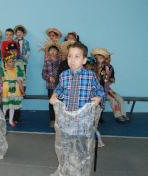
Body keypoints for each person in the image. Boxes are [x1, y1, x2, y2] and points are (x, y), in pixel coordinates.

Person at [50, 42, 105, 176]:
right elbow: (59, 89)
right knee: (66, 148)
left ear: (84, 60)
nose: (72, 60)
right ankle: (65, 170)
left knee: (81, 150)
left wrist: (98, 98)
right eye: (70, 56)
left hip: (82, 121)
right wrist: (54, 95)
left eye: (77, 57)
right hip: (67, 120)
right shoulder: (64, 75)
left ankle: (80, 172)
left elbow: (100, 90)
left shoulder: (90, 76)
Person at [91, 48, 128, 122]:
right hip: (95, 90)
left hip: (106, 88)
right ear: (95, 57)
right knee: (112, 100)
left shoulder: (109, 67)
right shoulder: (92, 66)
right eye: (98, 57)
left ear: (104, 58)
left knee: (120, 99)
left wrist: (109, 78)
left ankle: (123, 114)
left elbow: (112, 79)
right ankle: (118, 116)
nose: (100, 59)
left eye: (101, 57)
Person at [0, 43, 24, 127]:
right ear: (6, 62)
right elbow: (0, 81)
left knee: (12, 106)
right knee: (5, 105)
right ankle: (2, 119)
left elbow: (20, 81)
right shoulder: (3, 69)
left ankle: (10, 120)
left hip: (15, 88)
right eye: (10, 61)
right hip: (6, 89)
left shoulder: (17, 69)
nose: (12, 63)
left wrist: (22, 90)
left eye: (13, 61)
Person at [42, 42, 61, 127]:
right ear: (48, 52)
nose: (52, 52)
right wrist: (49, 77)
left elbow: (63, 72)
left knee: (60, 102)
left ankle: (59, 119)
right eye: (51, 50)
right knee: (51, 103)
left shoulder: (61, 62)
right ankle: (52, 120)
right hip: (50, 86)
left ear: (57, 52)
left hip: (60, 86)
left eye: (54, 50)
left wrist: (57, 79)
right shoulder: (47, 62)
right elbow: (43, 73)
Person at [14, 25, 30, 90]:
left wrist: (25, 57)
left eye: (21, 32)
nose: (19, 33)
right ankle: (16, 91)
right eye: (18, 32)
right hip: (15, 62)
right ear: (16, 33)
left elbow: (28, 51)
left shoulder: (26, 42)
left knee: (23, 76)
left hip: (23, 62)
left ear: (23, 33)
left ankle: (23, 91)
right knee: (15, 76)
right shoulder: (13, 41)